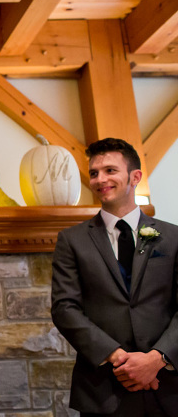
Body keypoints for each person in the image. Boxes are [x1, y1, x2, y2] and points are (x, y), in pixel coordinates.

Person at [51, 138, 178, 416]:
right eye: (94, 173)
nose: (100, 179)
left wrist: (156, 359)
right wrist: (120, 358)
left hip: (168, 387)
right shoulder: (72, 240)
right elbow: (64, 308)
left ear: (135, 177)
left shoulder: (173, 237)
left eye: (110, 170)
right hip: (103, 389)